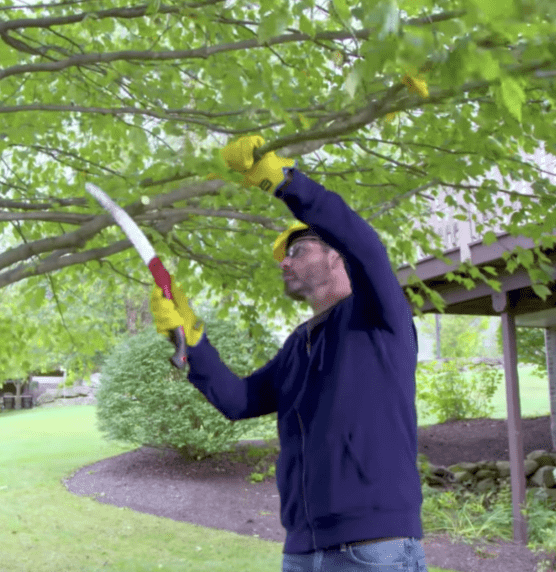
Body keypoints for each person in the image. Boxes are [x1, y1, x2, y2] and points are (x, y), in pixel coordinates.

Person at [150, 135, 427, 571]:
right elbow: (238, 401)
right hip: (302, 549)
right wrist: (193, 341)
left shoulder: (377, 315)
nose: (283, 261)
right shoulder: (299, 345)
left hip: (374, 546)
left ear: (336, 255)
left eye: (297, 250)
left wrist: (287, 184)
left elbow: (365, 246)